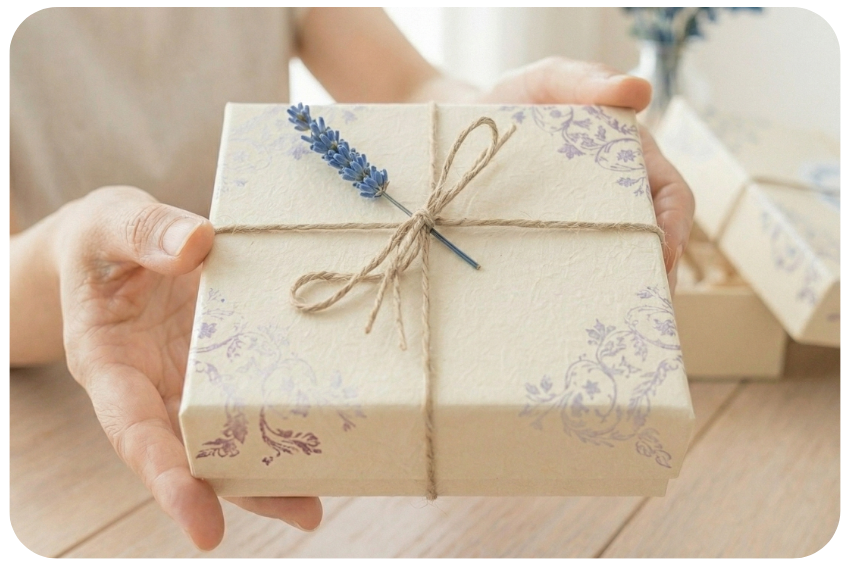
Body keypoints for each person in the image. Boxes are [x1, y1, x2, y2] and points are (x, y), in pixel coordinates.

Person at [9, 7, 694, 550]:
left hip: (299, 364)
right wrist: (64, 259)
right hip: (64, 424)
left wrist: (495, 118)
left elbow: (405, 88)